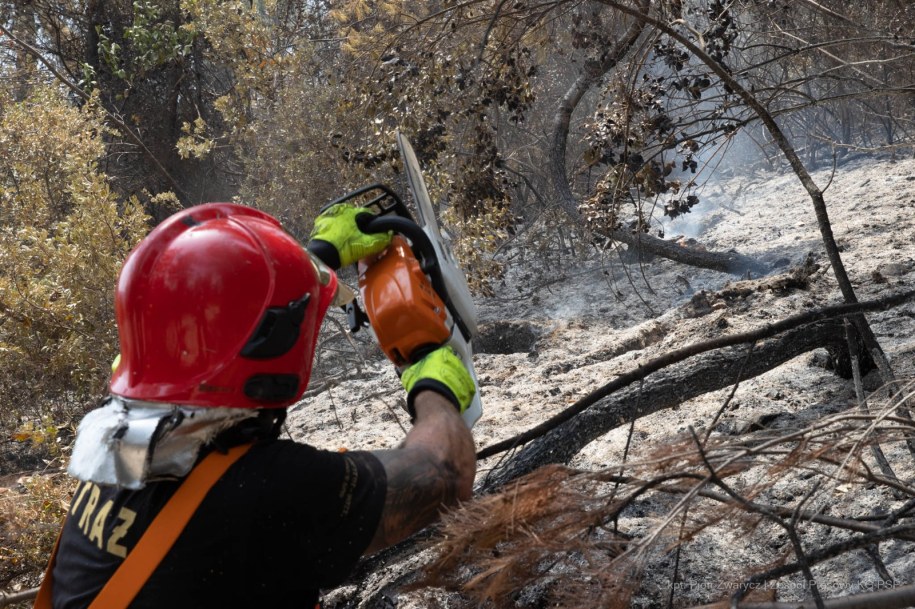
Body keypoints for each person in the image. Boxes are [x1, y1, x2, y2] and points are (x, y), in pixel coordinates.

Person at [36, 202, 477, 609]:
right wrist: (428, 375)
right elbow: (444, 475)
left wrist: (314, 256)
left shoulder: (117, 445)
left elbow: (220, 321)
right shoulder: (266, 489)